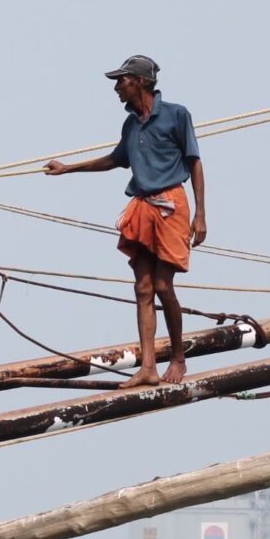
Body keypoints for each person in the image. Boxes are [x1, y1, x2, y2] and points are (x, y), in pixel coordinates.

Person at [42, 54, 206, 385]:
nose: (117, 87)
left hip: (171, 205)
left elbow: (195, 162)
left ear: (140, 81)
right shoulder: (131, 124)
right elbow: (117, 160)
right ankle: (148, 367)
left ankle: (177, 358)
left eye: (122, 80)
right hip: (142, 206)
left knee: (162, 285)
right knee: (143, 287)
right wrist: (68, 168)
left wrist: (201, 214)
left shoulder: (176, 115)